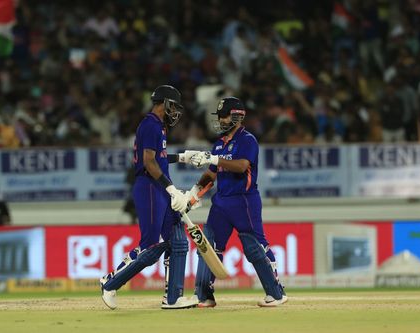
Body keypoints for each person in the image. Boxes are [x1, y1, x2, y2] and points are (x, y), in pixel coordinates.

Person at [99, 85, 200, 310]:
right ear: (164, 102)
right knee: (151, 246)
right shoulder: (150, 124)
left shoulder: (158, 126)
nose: (175, 111)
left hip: (158, 187)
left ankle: (173, 298)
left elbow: (160, 157)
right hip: (150, 187)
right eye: (173, 105)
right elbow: (149, 162)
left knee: (178, 242)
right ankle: (110, 283)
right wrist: (171, 189)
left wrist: (182, 157)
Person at [187, 97, 287, 307]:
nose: (220, 121)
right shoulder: (218, 144)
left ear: (235, 116)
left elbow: (242, 166)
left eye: (223, 116)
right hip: (221, 203)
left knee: (255, 247)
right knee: (208, 247)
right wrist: (194, 193)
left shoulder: (247, 140)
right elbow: (211, 175)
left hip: (244, 200)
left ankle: (276, 293)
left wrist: (213, 159)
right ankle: (204, 295)